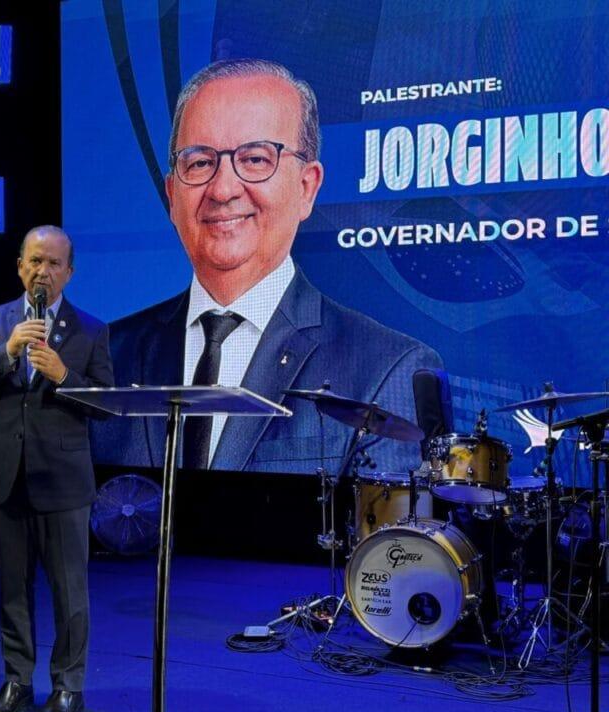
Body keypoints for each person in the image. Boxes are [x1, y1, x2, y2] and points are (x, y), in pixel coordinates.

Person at [91, 58, 443, 475]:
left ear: (306, 187)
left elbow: (389, 539)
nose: (222, 189)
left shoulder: (388, 369)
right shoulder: (105, 356)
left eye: (256, 159)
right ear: (172, 193)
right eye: (200, 162)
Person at [0, 226, 113, 712]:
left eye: (53, 264)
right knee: (11, 590)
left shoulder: (91, 330)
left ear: (69, 272)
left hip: (63, 483)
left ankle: (69, 687)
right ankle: (16, 680)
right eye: (34, 261)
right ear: (20, 265)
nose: (42, 271)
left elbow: (106, 406)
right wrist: (5, 355)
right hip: (4, 478)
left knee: (70, 593)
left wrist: (65, 376)